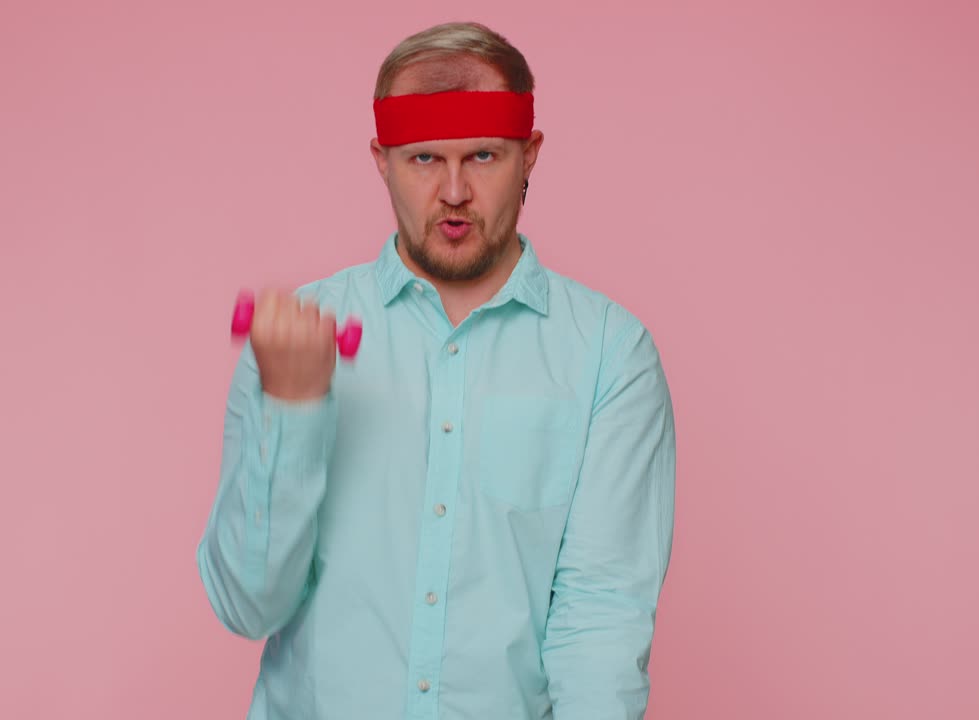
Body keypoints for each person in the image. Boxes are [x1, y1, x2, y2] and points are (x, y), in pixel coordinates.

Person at [197, 20, 677, 720]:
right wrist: (292, 406)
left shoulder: (610, 353)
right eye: (424, 159)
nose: (454, 192)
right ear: (382, 160)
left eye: (482, 156)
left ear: (530, 154)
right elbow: (248, 605)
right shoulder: (298, 338)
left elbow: (601, 624)